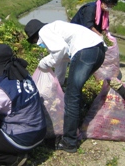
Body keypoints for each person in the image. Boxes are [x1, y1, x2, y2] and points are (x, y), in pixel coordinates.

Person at [24, 19, 106, 153]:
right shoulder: (57, 30)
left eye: (35, 42)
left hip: (86, 51)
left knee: (72, 96)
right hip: (99, 51)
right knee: (74, 92)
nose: (39, 45)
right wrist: (58, 85)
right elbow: (61, 61)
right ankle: (73, 129)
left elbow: (59, 50)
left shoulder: (45, 31)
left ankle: (69, 141)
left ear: (35, 36)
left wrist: (44, 62)